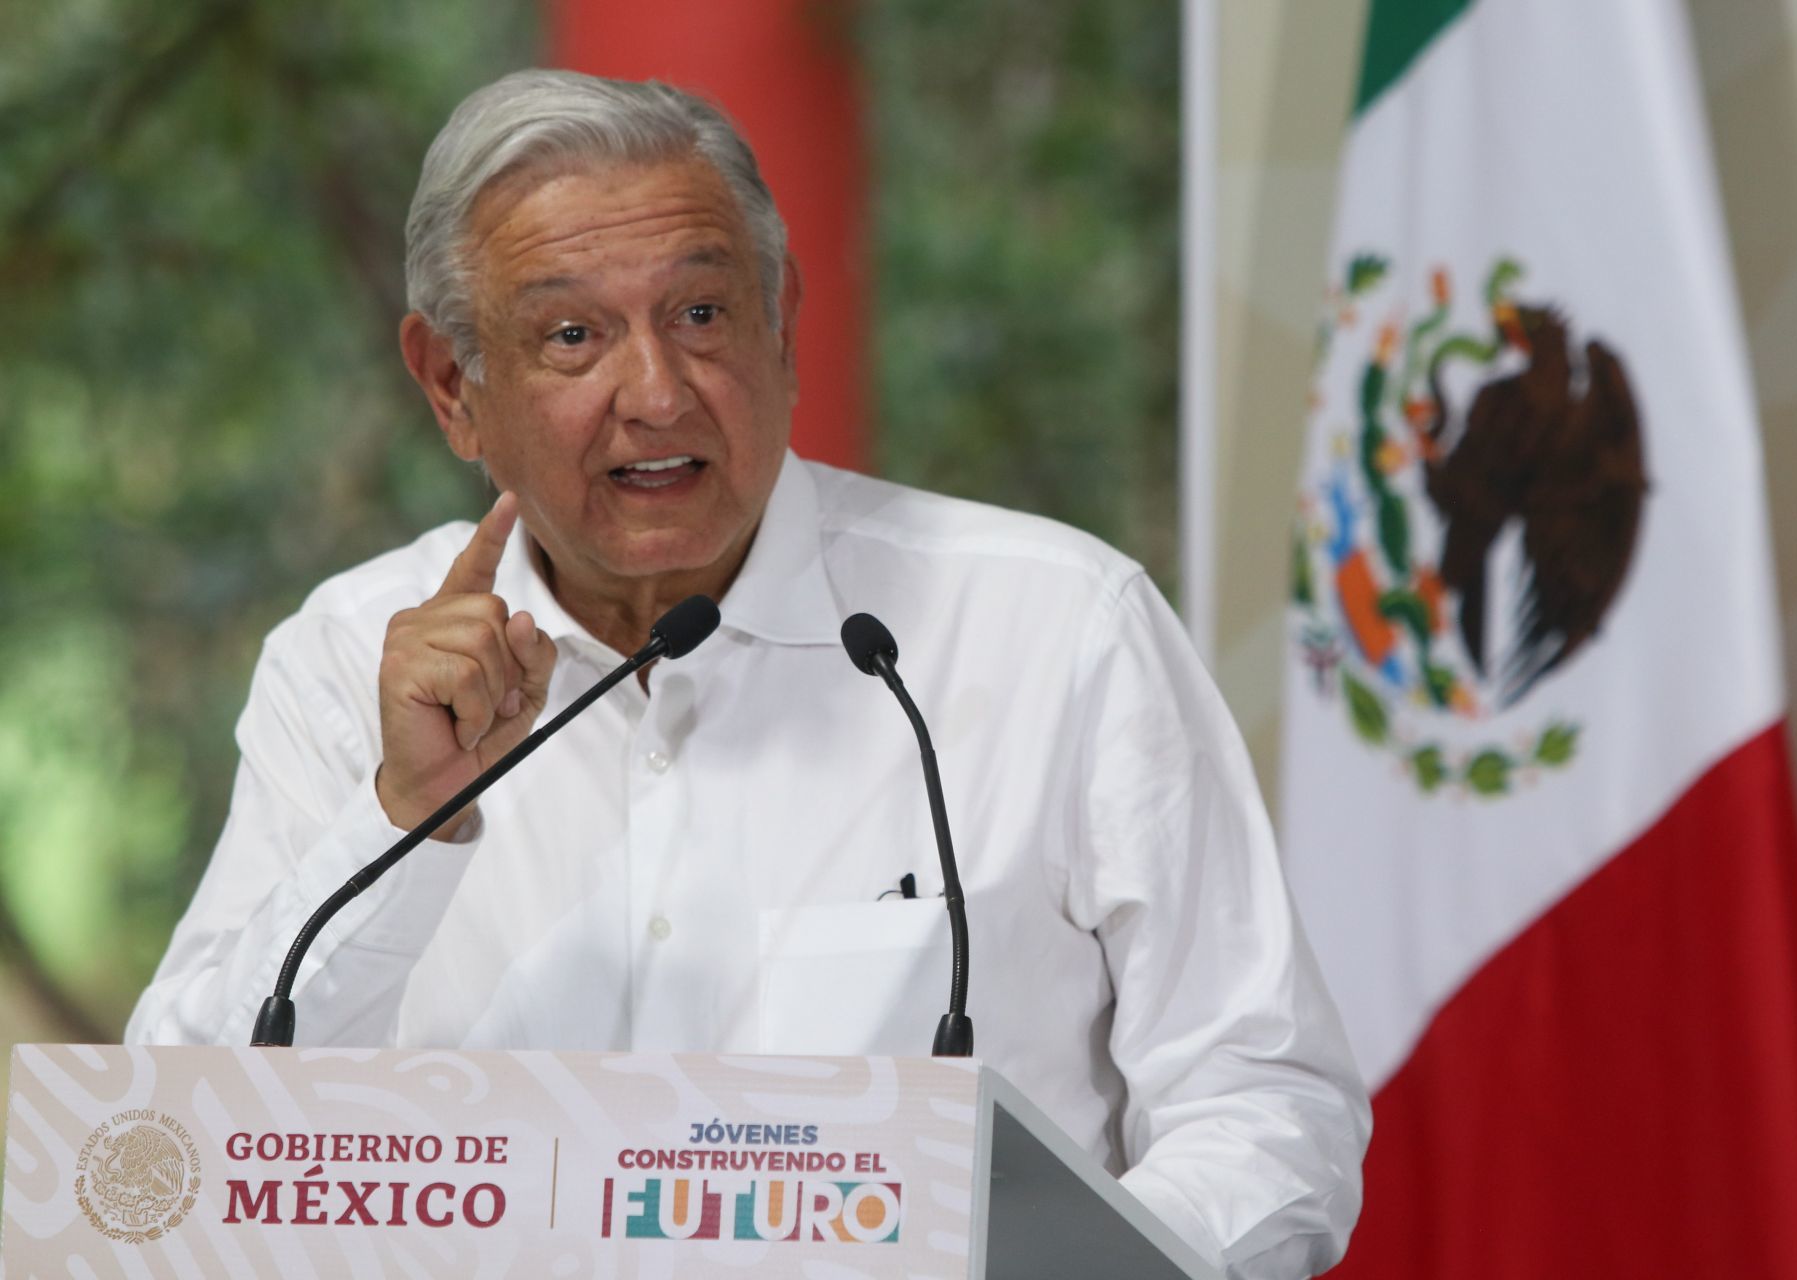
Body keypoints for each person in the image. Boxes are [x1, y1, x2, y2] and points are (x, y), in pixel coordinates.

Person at [126, 70, 1369, 1276]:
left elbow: (1262, 1100)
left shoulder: (1053, 623)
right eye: (572, 335)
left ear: (781, 326)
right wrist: (406, 821)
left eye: (703, 314)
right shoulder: (346, 658)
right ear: (454, 386)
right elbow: (171, 1150)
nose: (658, 392)